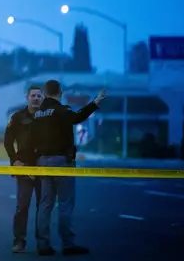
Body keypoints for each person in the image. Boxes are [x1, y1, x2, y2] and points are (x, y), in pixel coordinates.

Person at [32, 80, 107, 256]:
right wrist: (95, 103)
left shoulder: (38, 114)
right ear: (60, 92)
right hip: (61, 162)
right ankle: (68, 243)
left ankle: (43, 244)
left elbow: (31, 139)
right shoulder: (61, 110)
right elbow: (77, 118)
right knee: (65, 204)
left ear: (44, 92)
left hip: (42, 162)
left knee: (45, 204)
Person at [3, 84, 43, 253]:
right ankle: (19, 241)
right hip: (24, 167)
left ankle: (43, 243)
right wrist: (14, 161)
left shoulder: (47, 117)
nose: (36, 98)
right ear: (27, 97)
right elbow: (7, 141)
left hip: (44, 168)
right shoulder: (18, 117)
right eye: (33, 95)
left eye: (39, 96)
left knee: (44, 207)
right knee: (23, 206)